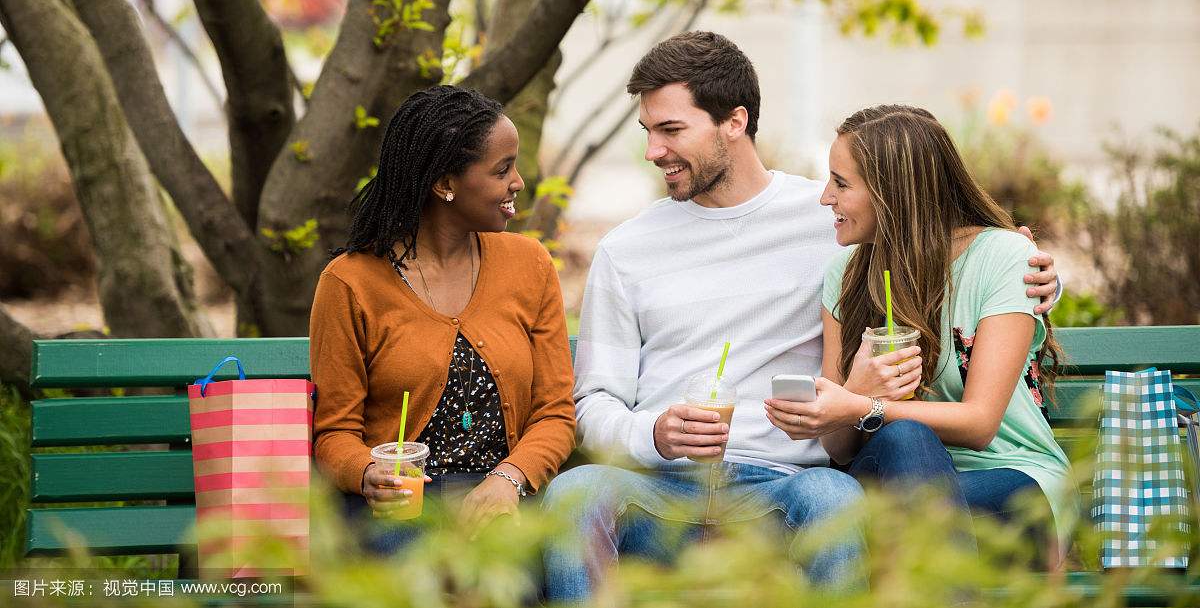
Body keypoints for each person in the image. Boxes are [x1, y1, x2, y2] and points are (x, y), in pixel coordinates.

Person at [541, 33, 1063, 599]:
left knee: (834, 499)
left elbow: (937, 243)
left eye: (670, 130)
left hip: (786, 485)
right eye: (648, 132)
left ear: (735, 121)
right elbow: (593, 403)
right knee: (575, 493)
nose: (653, 151)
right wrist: (654, 434)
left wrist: (1031, 273)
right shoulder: (627, 249)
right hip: (658, 487)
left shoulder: (834, 222)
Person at [765, 105, 1071, 563]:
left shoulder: (1003, 259)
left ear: (893, 193)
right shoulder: (845, 276)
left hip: (1009, 476)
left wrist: (864, 406)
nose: (825, 197)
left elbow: (980, 424)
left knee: (906, 468)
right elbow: (840, 446)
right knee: (904, 444)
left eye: (841, 183)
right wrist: (851, 396)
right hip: (890, 478)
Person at [310, 84, 575, 541]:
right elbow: (335, 434)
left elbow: (555, 414)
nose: (518, 182)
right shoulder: (350, 282)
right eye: (502, 169)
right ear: (445, 184)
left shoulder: (529, 264)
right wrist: (366, 473)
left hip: (497, 497)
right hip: (398, 508)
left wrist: (508, 480)